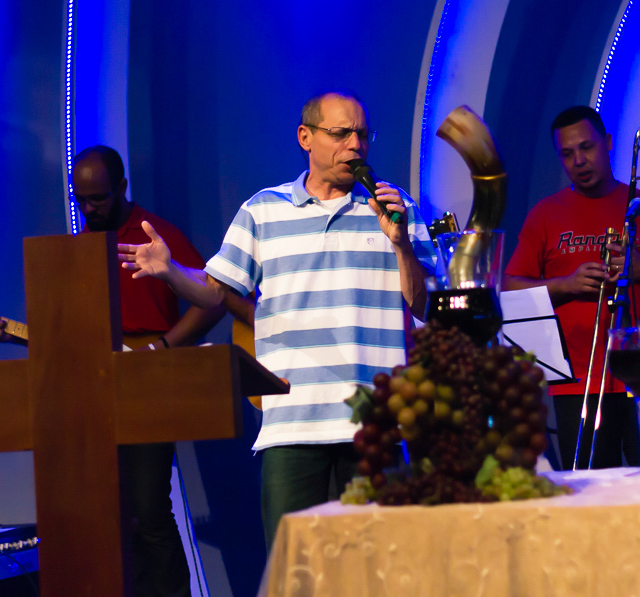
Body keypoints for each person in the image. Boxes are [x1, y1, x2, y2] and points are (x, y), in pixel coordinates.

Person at [117, 92, 436, 548]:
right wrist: (168, 269)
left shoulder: (394, 208)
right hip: (293, 425)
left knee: (378, 571)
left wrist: (402, 243)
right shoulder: (263, 210)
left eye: (363, 135)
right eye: (341, 133)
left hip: (375, 426)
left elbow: (424, 306)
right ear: (306, 137)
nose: (355, 145)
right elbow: (213, 292)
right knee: (294, 569)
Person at [0, 145, 244, 597]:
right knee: (113, 514)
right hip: (97, 391)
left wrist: (162, 346)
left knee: (148, 508)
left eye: (98, 197)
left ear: (121, 187)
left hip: (150, 384)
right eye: (81, 199)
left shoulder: (154, 232)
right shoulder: (79, 248)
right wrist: (10, 336)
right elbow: (71, 342)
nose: (89, 208)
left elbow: (213, 301)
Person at [503, 105, 640, 469]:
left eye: (587, 148)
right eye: (567, 154)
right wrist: (565, 284)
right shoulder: (545, 214)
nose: (579, 161)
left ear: (607, 142)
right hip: (580, 381)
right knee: (589, 490)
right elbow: (510, 288)